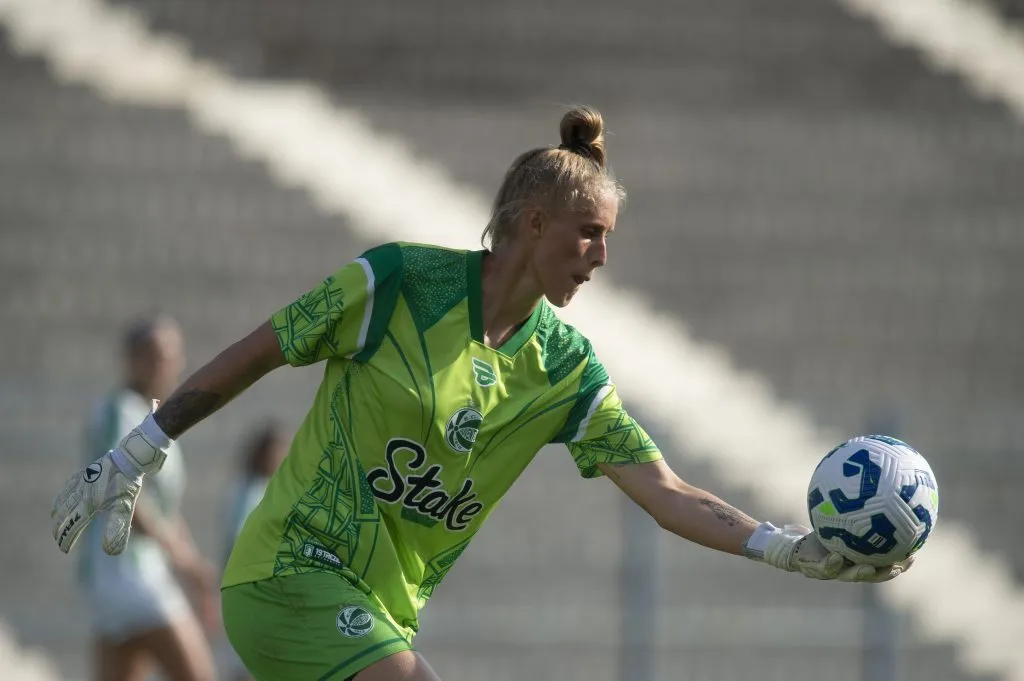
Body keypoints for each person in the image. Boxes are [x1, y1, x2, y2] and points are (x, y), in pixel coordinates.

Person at [53, 106, 913, 681]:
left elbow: (665, 491)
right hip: (285, 576)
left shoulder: (565, 368)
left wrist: (783, 546)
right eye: (589, 235)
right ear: (534, 223)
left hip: (381, 611)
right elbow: (259, 351)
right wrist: (143, 442)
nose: (600, 258)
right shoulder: (394, 283)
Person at [76, 316, 218, 681]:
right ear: (131, 358)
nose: (165, 364)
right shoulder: (119, 410)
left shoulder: (156, 420)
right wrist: (186, 564)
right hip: (125, 575)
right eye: (154, 354)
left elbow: (163, 507)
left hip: (139, 573)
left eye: (171, 355)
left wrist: (192, 563)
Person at [220, 421, 289, 681]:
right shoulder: (250, 492)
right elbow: (238, 544)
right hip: (254, 592)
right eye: (276, 450)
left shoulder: (266, 490)